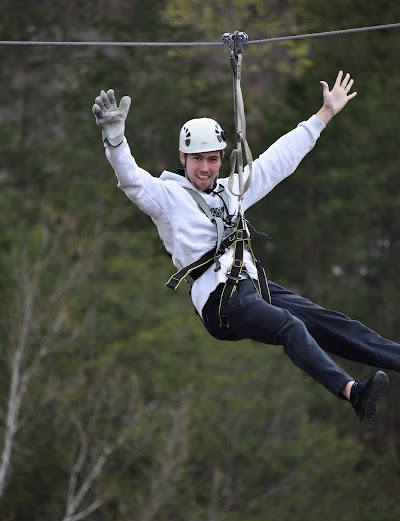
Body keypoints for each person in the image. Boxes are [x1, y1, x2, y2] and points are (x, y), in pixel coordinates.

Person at [92, 70, 397, 423]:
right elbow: (131, 179)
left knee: (331, 323)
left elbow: (278, 160)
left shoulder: (232, 190)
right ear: (182, 157)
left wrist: (324, 114)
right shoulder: (167, 197)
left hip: (254, 288)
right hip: (221, 302)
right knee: (290, 327)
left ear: (222, 158)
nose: (205, 168)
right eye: (197, 160)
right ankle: (353, 393)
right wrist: (115, 139)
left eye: (213, 159)